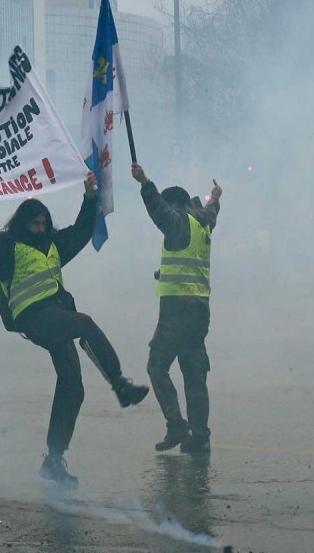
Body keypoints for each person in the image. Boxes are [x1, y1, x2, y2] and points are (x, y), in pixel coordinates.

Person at [0, 172, 150, 487]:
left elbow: (82, 230)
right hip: (33, 319)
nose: (42, 229)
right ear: (22, 225)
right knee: (85, 324)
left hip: (55, 319)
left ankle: (53, 459)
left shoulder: (54, 246)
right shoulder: (10, 249)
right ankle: (120, 385)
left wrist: (89, 199)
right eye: (35, 224)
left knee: (73, 386)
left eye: (45, 223)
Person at [131, 163, 222, 455]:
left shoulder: (178, 221)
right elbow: (212, 211)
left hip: (176, 311)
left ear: (175, 205)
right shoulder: (203, 222)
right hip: (199, 311)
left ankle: (176, 425)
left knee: (157, 366)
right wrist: (216, 196)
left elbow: (159, 211)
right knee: (194, 374)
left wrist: (145, 181)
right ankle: (200, 437)